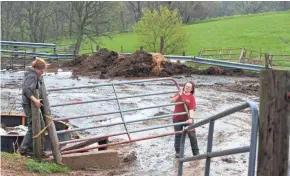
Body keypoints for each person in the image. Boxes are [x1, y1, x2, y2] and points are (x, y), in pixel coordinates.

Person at [18, 58, 47, 155]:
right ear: (36, 68)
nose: (42, 73)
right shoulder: (32, 76)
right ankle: (23, 148)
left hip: (32, 105)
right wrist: (35, 100)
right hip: (29, 105)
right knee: (32, 126)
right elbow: (26, 90)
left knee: (41, 126)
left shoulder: (35, 75)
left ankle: (35, 149)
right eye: (41, 71)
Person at [170, 81, 199, 158]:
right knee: (178, 135)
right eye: (186, 86)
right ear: (184, 86)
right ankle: (178, 152)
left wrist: (190, 119)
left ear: (192, 89)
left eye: (189, 87)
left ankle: (196, 154)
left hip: (187, 119)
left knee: (192, 135)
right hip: (177, 118)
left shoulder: (192, 97)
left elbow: (191, 109)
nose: (187, 88)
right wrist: (178, 96)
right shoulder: (179, 93)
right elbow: (171, 101)